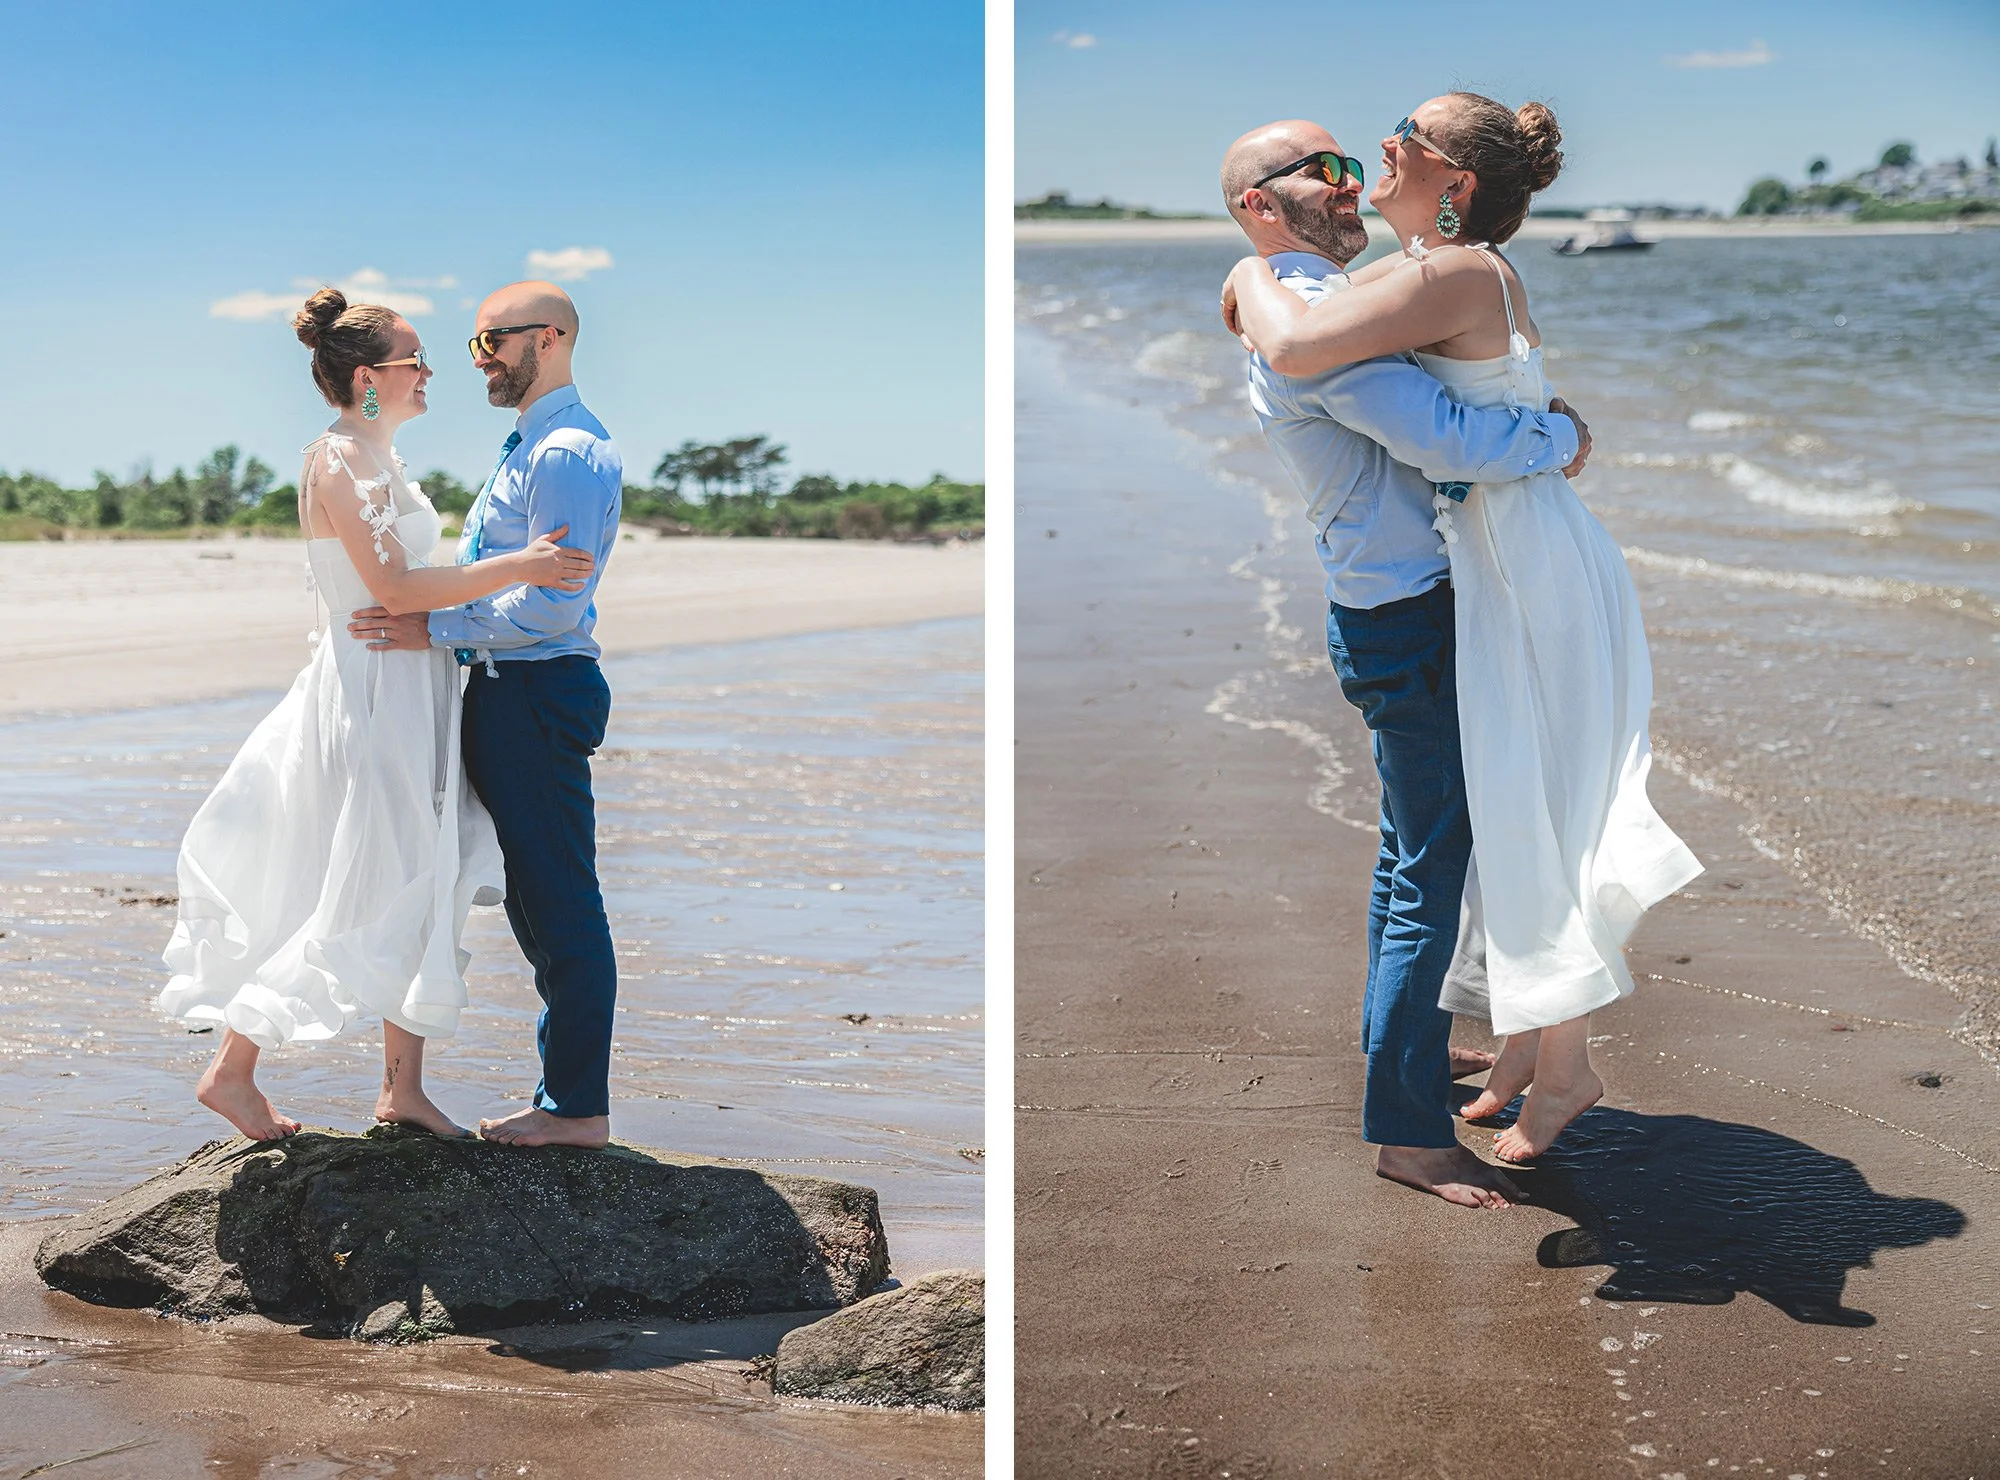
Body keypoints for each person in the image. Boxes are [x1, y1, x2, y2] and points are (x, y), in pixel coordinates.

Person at [1224, 96, 1702, 1168]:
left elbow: (1443, 401)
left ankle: (1534, 1054)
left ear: (1453, 180)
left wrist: (1550, 423)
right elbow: (1434, 421)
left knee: (1522, 818)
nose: (1364, 159)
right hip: (1461, 585)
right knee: (1473, 838)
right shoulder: (1352, 291)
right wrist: (1553, 425)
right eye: (1328, 162)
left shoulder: (1418, 276)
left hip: (1505, 573)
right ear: (1261, 204)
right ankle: (1478, 1080)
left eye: (1390, 141)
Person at [160, 288, 595, 1142]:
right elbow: (393, 589)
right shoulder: (339, 461)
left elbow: (409, 586)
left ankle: (403, 1090)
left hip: (411, 677)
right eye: (415, 361)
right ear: (367, 379)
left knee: (420, 870)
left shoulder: (377, 456)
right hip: (372, 685)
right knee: (368, 875)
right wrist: (527, 564)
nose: (433, 372)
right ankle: (233, 1069)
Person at [354, 281, 625, 1149]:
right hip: (510, 688)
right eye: (473, 347)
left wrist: (428, 627)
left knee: (560, 901)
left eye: (489, 343)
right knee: (537, 906)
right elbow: (515, 579)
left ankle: (576, 1110)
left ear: (547, 337)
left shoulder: (566, 453)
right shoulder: (531, 445)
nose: (479, 362)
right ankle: (567, 1099)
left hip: (536, 687)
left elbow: (550, 607)